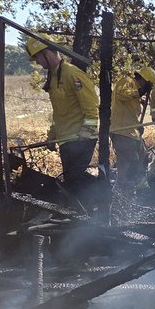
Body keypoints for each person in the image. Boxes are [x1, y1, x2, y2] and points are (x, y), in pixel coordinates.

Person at [26, 34, 99, 194]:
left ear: (46, 53)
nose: (37, 62)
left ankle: (106, 193)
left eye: (37, 57)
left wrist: (87, 132)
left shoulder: (73, 74)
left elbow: (91, 105)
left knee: (75, 178)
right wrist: (53, 135)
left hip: (80, 137)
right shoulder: (53, 77)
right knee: (72, 182)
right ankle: (84, 212)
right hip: (66, 140)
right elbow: (59, 112)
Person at [111, 66, 155, 187]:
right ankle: (125, 188)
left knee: (143, 157)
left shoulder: (135, 90)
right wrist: (140, 91)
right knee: (129, 161)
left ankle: (139, 186)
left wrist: (138, 126)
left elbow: (130, 112)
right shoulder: (127, 82)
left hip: (131, 131)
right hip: (122, 131)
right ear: (144, 80)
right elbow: (123, 95)